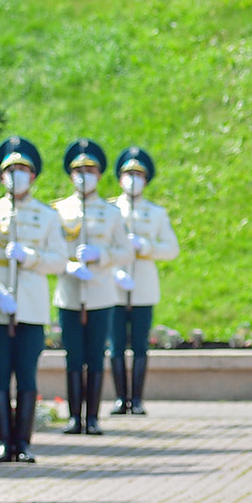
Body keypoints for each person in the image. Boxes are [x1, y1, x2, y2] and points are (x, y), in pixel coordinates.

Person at [0, 136, 65, 465]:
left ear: (34, 175)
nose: (17, 174)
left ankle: (23, 442)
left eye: (23, 169)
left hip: (31, 304)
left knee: (26, 374)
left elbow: (59, 260)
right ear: (1, 177)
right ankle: (3, 442)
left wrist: (30, 256)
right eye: (11, 169)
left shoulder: (46, 215)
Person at [53, 139, 131, 436]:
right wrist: (67, 265)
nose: (84, 174)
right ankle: (75, 416)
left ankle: (93, 417)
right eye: (78, 170)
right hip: (70, 293)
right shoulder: (58, 211)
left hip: (100, 293)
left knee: (96, 355)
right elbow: (51, 250)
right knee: (73, 355)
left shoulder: (111, 213)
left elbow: (125, 252)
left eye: (90, 169)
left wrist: (103, 255)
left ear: (99, 175)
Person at [111, 146, 180, 417]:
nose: (132, 179)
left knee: (139, 345)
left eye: (138, 174)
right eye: (128, 173)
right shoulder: (110, 209)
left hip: (142, 286)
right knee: (116, 345)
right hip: (114, 287)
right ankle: (119, 397)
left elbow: (171, 249)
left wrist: (146, 246)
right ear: (119, 178)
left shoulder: (156, 213)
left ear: (146, 180)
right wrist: (114, 271)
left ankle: (136, 399)